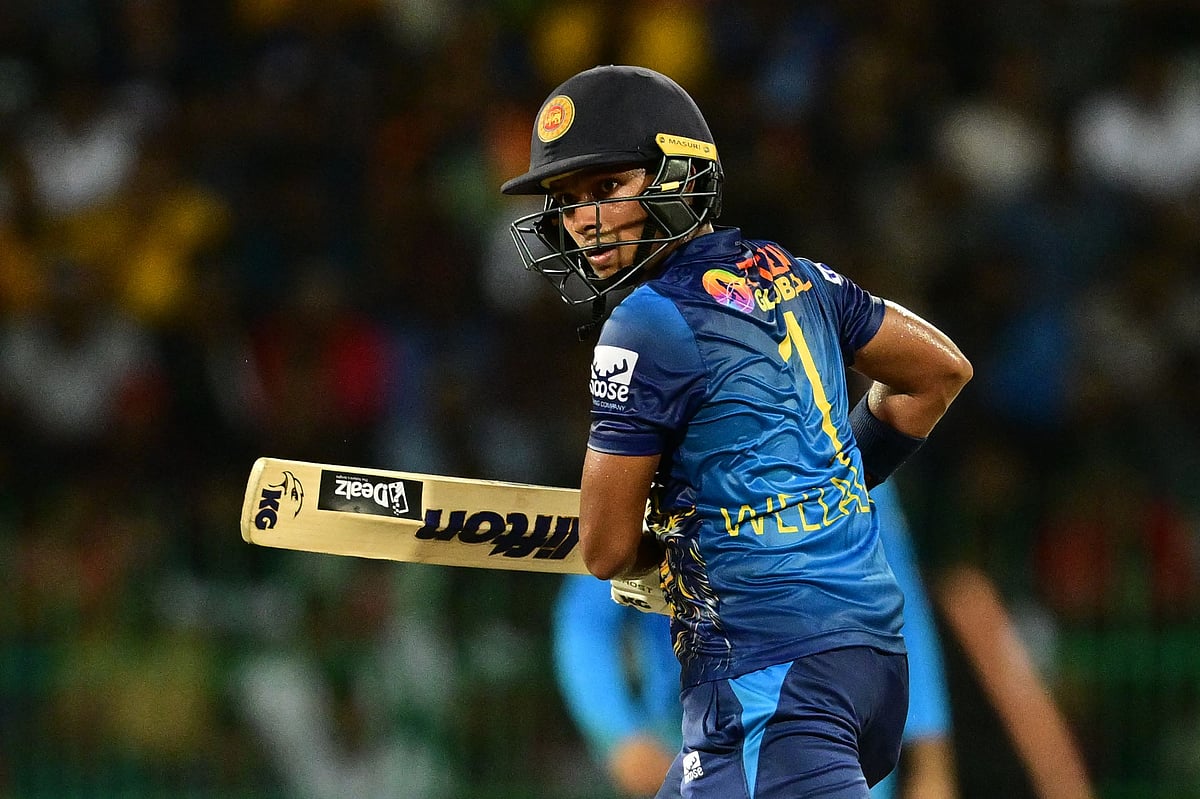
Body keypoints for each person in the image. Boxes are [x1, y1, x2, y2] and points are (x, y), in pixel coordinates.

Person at [501, 64, 972, 797]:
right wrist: (840, 473)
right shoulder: (799, 276)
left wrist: (663, 538)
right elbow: (938, 374)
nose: (582, 221)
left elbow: (604, 547)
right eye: (566, 202)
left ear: (682, 179)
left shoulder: (642, 323)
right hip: (862, 665)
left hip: (773, 682)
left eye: (606, 190)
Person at [552, 481, 957, 799]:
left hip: (838, 736)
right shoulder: (666, 455)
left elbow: (899, 614)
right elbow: (588, 616)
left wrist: (931, 757)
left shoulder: (850, 447)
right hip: (701, 736)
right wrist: (620, 733)